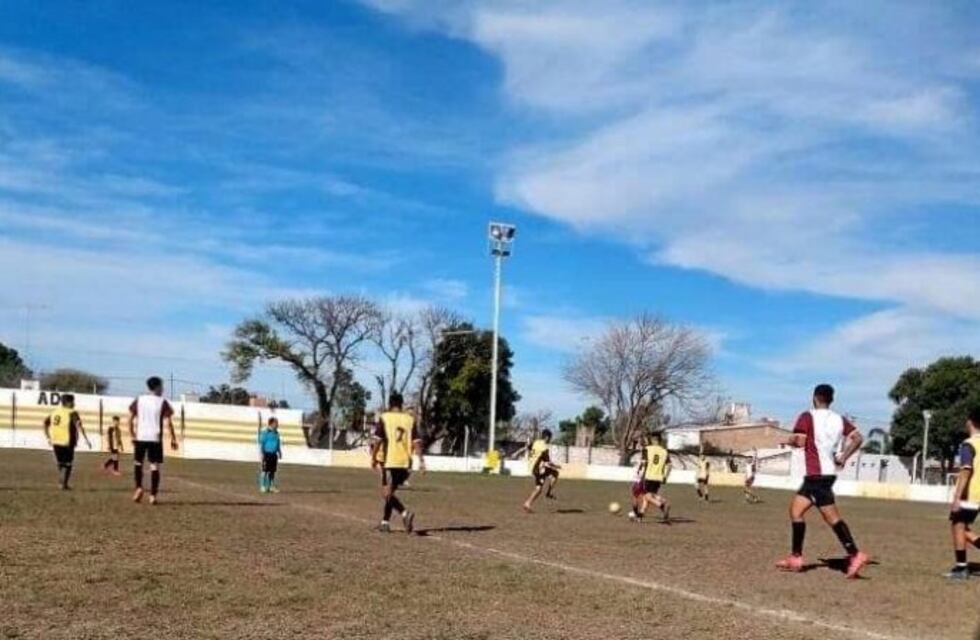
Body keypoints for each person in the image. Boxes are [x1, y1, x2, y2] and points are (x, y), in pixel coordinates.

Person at [776, 384, 869, 578]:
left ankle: (855, 554)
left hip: (817, 474)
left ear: (814, 397)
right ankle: (795, 557)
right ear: (831, 400)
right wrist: (844, 457)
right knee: (796, 511)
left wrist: (785, 439)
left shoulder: (807, 416)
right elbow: (858, 438)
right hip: (824, 474)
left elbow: (799, 441)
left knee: (832, 518)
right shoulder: (839, 419)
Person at [370, 392, 424, 533]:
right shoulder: (410, 420)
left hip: (390, 461)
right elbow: (416, 442)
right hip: (406, 464)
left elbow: (378, 440)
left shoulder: (385, 418)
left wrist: (374, 457)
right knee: (390, 492)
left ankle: (405, 513)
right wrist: (422, 461)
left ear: (390, 404)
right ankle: (385, 523)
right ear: (401, 404)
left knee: (386, 493)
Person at [128, 376, 178, 505]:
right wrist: (173, 438)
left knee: (138, 463)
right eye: (162, 386)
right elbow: (169, 422)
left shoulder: (140, 399)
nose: (163, 389)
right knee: (154, 466)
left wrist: (132, 434)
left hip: (141, 436)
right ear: (157, 387)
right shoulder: (162, 402)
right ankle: (153, 495)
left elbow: (130, 418)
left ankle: (139, 488)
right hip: (155, 438)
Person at [946, 406, 980, 580]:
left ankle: (961, 568)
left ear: (970, 422)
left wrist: (957, 497)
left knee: (957, 525)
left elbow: (966, 470)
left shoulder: (969, 444)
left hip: (971, 494)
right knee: (961, 527)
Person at [43, 394, 91, 490]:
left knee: (61, 463)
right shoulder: (72, 413)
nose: (74, 404)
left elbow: (45, 423)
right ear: (68, 403)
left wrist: (48, 437)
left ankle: (62, 481)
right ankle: (63, 483)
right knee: (68, 463)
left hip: (55, 441)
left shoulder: (55, 412)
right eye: (73, 402)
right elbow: (79, 426)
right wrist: (86, 439)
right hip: (67, 441)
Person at [634, 433, 671, 523]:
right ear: (660, 440)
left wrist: (639, 472)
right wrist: (665, 476)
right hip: (659, 477)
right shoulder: (664, 451)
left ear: (653, 440)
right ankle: (640, 515)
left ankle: (662, 504)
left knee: (647, 496)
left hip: (649, 476)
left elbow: (643, 462)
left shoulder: (647, 449)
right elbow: (669, 465)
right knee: (650, 496)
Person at [522, 429, 561, 513]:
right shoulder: (544, 448)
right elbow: (548, 462)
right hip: (538, 469)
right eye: (550, 438)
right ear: (547, 437)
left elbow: (528, 447)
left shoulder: (536, 442)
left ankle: (529, 502)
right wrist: (556, 466)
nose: (550, 440)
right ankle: (529, 502)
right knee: (539, 489)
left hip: (534, 467)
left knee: (555, 473)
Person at [258, 417, 283, 494]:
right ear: (271, 424)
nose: (277, 425)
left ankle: (271, 486)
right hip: (267, 454)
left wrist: (279, 452)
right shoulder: (265, 433)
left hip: (274, 454)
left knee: (272, 472)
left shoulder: (277, 433)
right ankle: (262, 486)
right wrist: (262, 453)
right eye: (276, 423)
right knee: (264, 471)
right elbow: (262, 443)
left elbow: (278, 443)